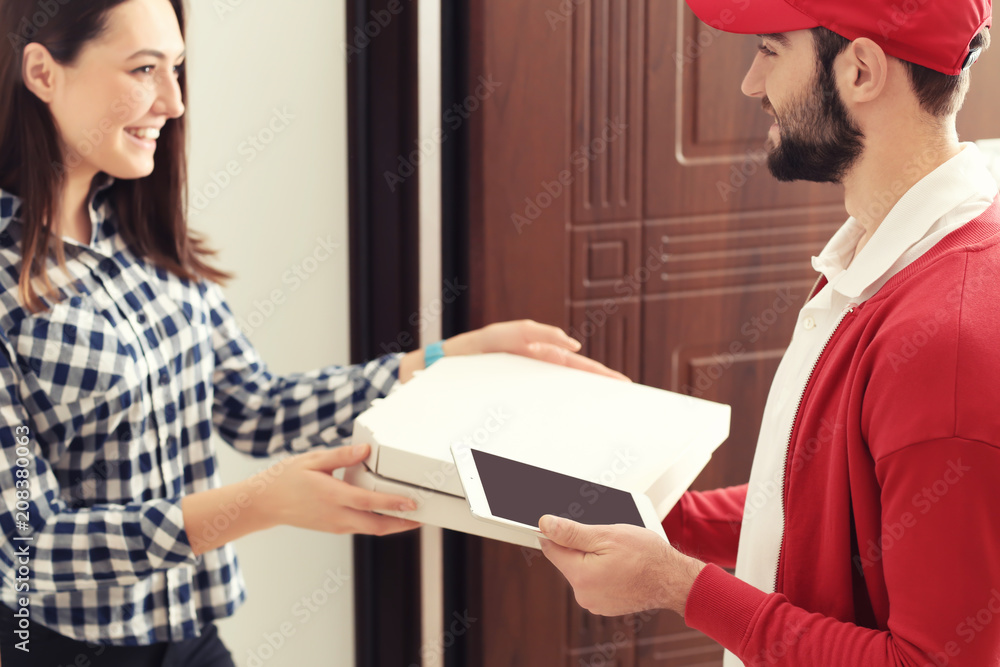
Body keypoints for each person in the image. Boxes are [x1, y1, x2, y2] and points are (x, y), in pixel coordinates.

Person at [0, 1, 626, 665]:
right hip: (62, 646)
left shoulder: (139, 238)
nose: (174, 102)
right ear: (43, 72)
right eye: (144, 69)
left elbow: (257, 408)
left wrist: (443, 359)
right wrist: (259, 503)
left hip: (189, 634)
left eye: (177, 69)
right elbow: (29, 545)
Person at [539, 1, 1000, 665]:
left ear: (860, 71)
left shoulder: (944, 342)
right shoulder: (882, 253)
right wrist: (663, 519)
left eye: (771, 51)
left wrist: (679, 586)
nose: (750, 85)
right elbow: (824, 503)